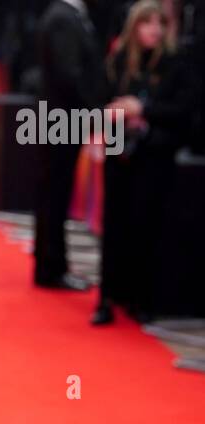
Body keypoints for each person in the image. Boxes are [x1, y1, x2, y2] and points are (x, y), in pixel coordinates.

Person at [93, 0, 198, 323]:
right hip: (118, 155)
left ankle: (140, 298)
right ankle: (107, 298)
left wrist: (141, 110)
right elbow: (99, 101)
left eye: (159, 23)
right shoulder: (119, 61)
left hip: (154, 158)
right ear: (134, 26)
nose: (153, 29)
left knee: (145, 227)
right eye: (146, 22)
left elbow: (184, 111)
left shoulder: (175, 63)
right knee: (113, 227)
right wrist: (102, 125)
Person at [33, 0, 108, 289]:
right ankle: (51, 268)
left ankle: (53, 265)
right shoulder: (63, 18)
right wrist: (95, 110)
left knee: (55, 194)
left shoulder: (66, 15)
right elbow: (69, 75)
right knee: (55, 195)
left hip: (59, 119)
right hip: (61, 121)